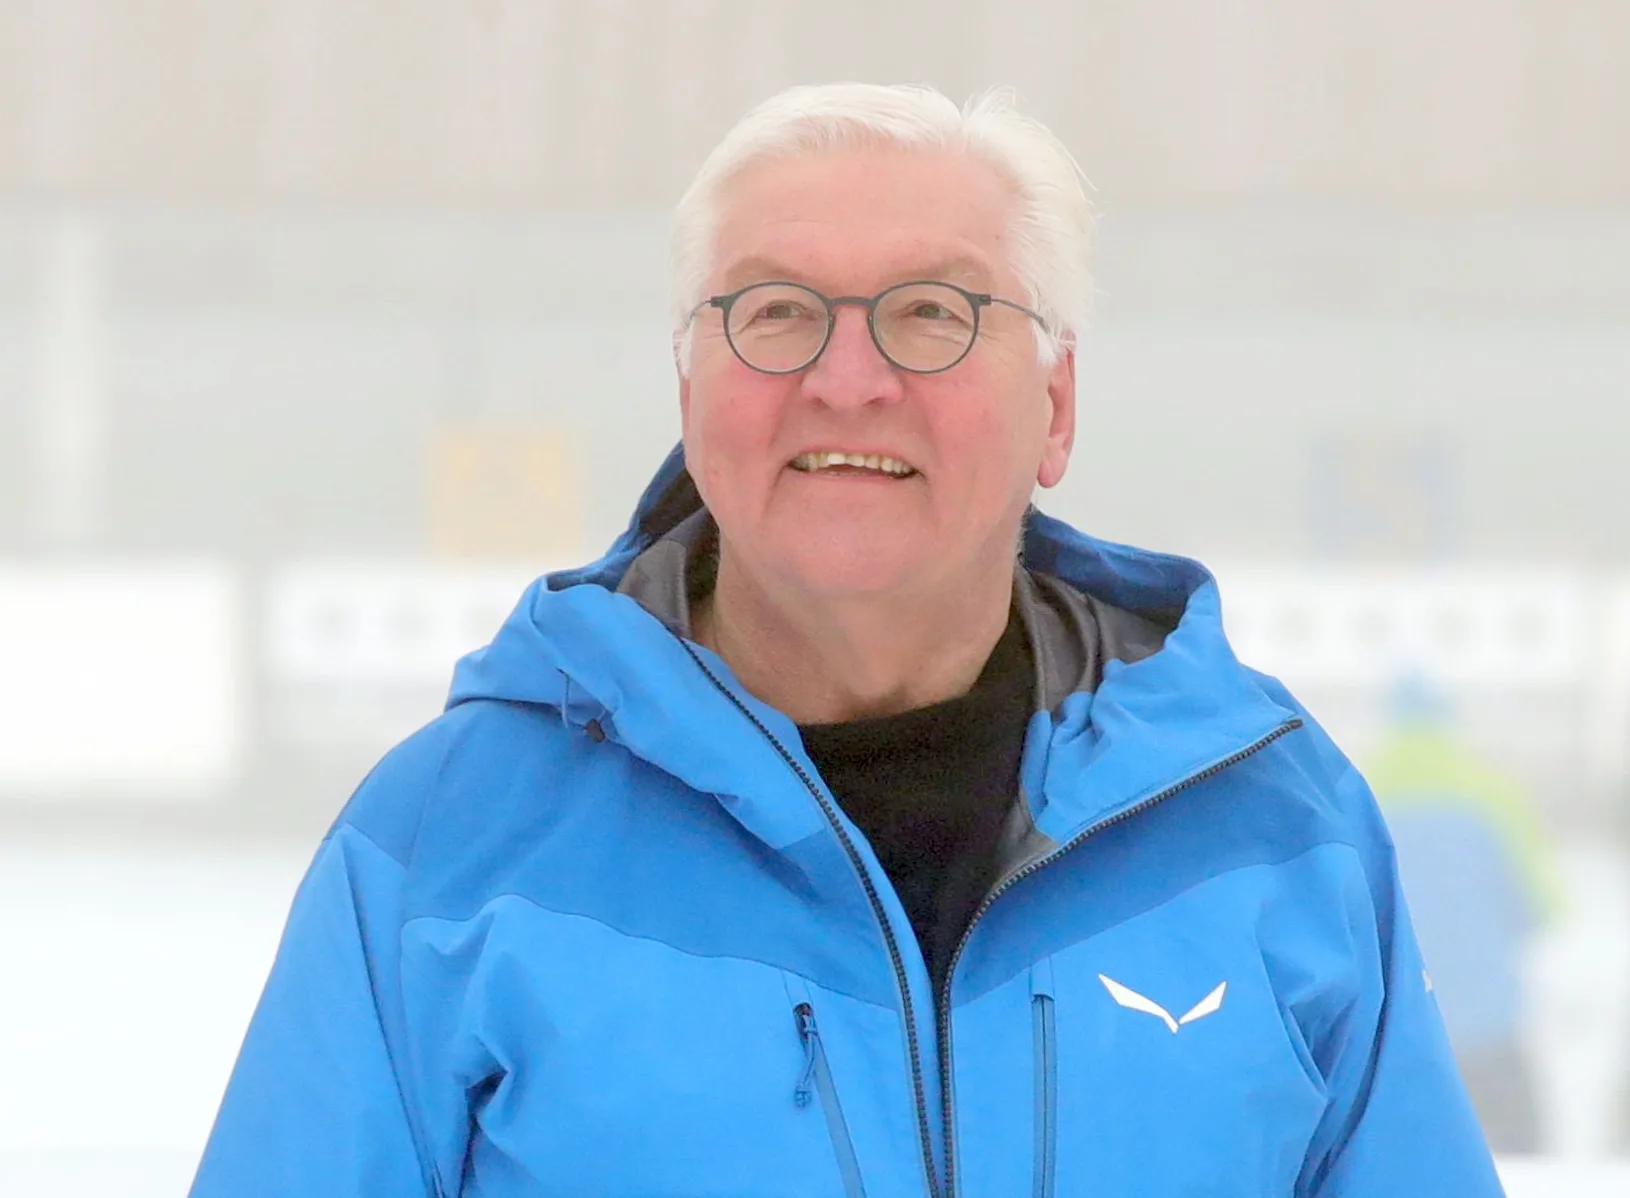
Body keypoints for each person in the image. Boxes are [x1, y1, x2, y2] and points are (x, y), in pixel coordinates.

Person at [191, 83, 1504, 1197]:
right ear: (689, 390)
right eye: (772, 311)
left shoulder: (1275, 832)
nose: (847, 376)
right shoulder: (443, 851)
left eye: (934, 312)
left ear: (1054, 402)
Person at [1367, 675, 1558, 1152]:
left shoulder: (1364, 792)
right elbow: (1542, 906)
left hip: (1404, 1024)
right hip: (1489, 1019)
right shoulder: (1492, 795)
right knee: (1523, 1157)